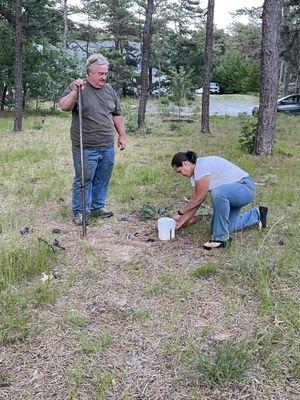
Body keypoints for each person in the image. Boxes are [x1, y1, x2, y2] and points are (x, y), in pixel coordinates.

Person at [60, 53, 126, 226]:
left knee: (102, 178)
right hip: (86, 145)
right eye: (100, 73)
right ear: (89, 72)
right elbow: (64, 106)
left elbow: (116, 114)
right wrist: (74, 92)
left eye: (106, 73)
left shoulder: (109, 90)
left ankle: (97, 207)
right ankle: (80, 211)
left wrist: (122, 135)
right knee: (84, 179)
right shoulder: (79, 88)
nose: (104, 77)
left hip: (107, 144)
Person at [171, 151, 268, 250]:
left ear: (185, 164)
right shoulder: (194, 176)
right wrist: (181, 222)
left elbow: (199, 199)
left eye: (179, 171)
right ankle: (257, 215)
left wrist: (180, 212)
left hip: (245, 188)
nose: (180, 174)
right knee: (218, 227)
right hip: (230, 195)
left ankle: (221, 239)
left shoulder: (201, 166)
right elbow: (195, 202)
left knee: (218, 192)